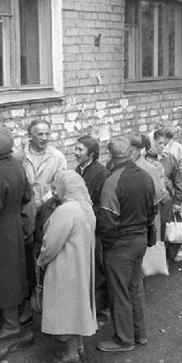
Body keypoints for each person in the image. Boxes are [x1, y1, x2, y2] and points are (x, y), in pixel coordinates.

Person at [96, 137, 156, 352]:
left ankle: (123, 339)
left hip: (120, 244)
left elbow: (108, 221)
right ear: (130, 153)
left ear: (110, 155)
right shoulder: (146, 176)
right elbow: (153, 209)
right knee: (135, 288)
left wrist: (108, 245)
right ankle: (140, 334)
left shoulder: (112, 182)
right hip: (140, 239)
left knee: (119, 292)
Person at [37, 170, 97, 363]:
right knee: (79, 305)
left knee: (68, 308)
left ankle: (71, 354)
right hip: (82, 264)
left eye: (56, 186)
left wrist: (42, 259)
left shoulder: (66, 211)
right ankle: (78, 345)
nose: (54, 191)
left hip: (65, 267)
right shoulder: (86, 207)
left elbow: (51, 243)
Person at [0, 127, 33, 339]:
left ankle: (10, 324)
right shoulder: (17, 166)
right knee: (13, 274)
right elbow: (27, 196)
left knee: (1, 276)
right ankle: (11, 318)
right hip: (14, 227)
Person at [20, 119, 67, 323]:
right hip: (25, 213)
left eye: (47, 134)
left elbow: (62, 182)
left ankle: (48, 303)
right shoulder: (20, 157)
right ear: (30, 135)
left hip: (47, 213)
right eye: (40, 134)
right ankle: (28, 306)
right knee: (26, 259)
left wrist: (47, 200)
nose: (45, 138)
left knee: (46, 255)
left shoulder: (57, 157)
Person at [75, 135, 110, 327]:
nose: (76, 153)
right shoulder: (79, 169)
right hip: (81, 225)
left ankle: (101, 308)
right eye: (76, 149)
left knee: (97, 267)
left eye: (80, 150)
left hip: (93, 226)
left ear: (92, 153)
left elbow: (102, 204)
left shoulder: (101, 173)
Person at [153, 121, 182, 263]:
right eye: (158, 143)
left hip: (167, 200)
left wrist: (178, 201)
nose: (162, 147)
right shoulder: (145, 161)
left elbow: (179, 181)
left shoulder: (170, 158)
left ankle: (167, 257)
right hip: (152, 202)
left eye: (163, 143)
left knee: (166, 229)